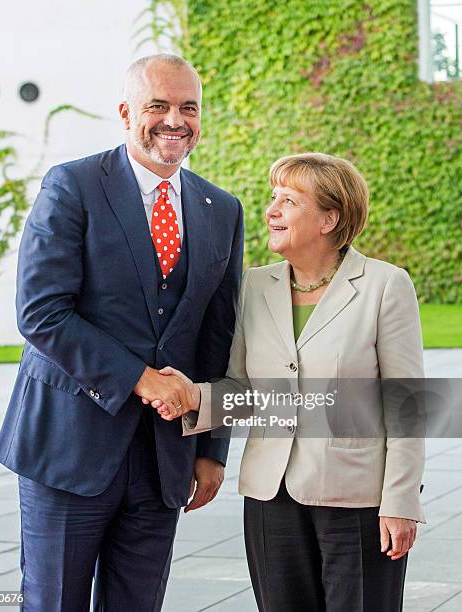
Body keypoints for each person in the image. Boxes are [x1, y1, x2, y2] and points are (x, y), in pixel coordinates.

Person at [0, 53, 244, 612]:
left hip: (163, 461)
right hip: (68, 448)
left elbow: (217, 336)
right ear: (127, 112)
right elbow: (41, 312)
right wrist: (142, 380)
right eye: (159, 106)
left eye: (189, 108)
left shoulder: (221, 209)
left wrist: (212, 449)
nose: (175, 120)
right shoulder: (73, 185)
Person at [151, 153, 425, 612]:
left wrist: (400, 503)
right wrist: (193, 396)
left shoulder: (384, 285)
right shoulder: (255, 286)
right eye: (273, 198)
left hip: (357, 501)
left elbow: (406, 405)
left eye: (289, 201)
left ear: (329, 218)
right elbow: (243, 392)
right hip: (270, 497)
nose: (270, 211)